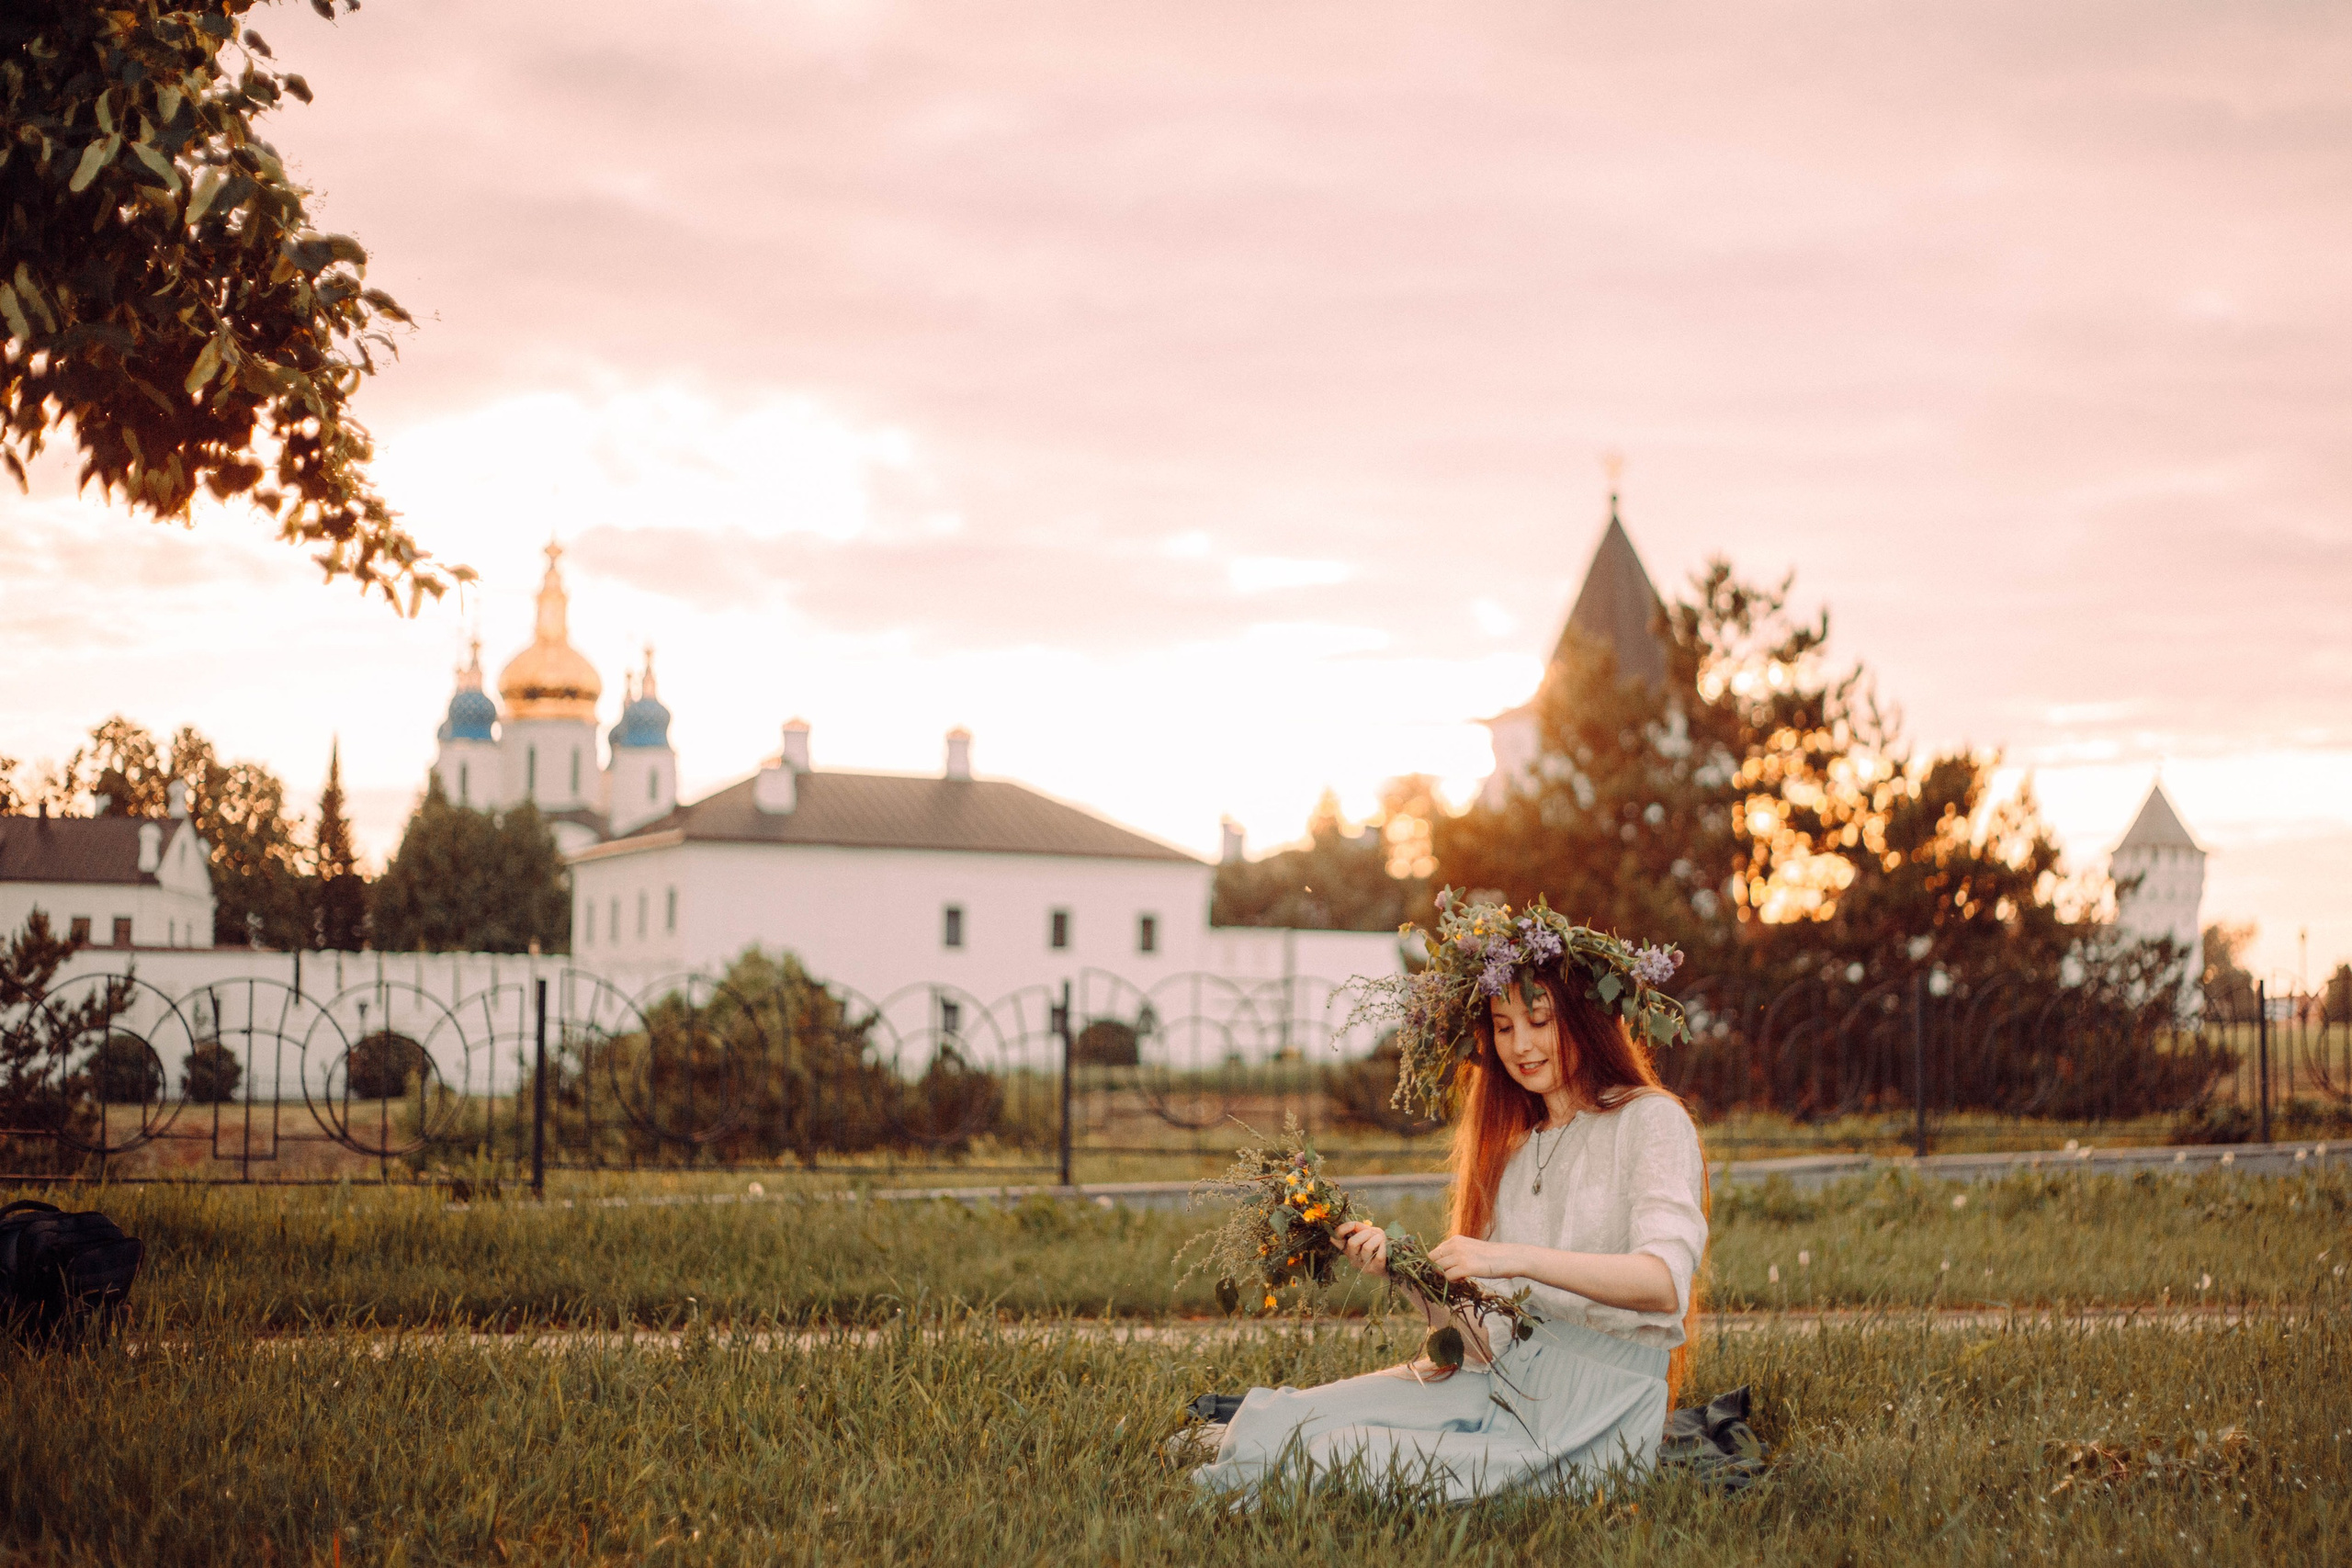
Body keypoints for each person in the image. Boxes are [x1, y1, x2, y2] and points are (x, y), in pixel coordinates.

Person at [1187, 930, 1709, 1504]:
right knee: (1280, 1420)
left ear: (1586, 1019)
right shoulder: (1516, 1152)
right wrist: (1405, 1272)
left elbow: (1663, 1284)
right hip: (1505, 1378)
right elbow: (1480, 1346)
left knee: (1335, 1456)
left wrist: (1510, 1258)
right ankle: (1238, 1452)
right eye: (1503, 1028)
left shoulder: (1650, 1120)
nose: (1520, 1045)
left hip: (1593, 1411)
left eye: (1539, 1021)